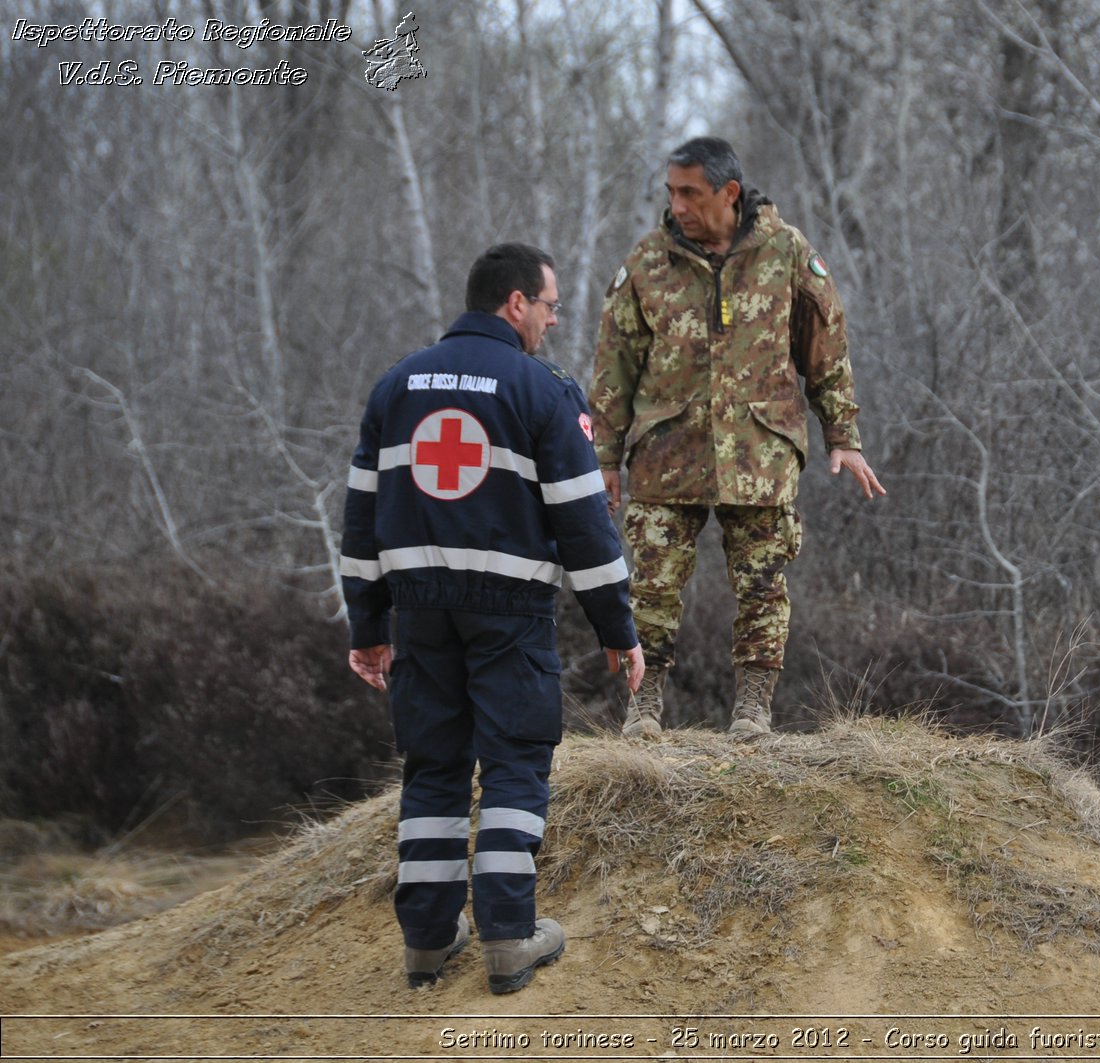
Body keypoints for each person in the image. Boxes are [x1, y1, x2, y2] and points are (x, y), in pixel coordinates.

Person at [339, 243, 645, 995]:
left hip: (419, 610)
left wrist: (367, 625)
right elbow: (585, 523)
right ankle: (509, 937)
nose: (550, 320)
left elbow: (360, 517)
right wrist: (618, 627)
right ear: (515, 303)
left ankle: (427, 941)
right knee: (513, 759)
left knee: (434, 765)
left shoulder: (395, 386)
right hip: (507, 611)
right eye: (548, 305)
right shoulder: (540, 390)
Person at [589, 137, 884, 740]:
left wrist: (842, 434)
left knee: (763, 584)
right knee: (651, 585)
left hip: (760, 450)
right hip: (666, 453)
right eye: (671, 192)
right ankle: (644, 709)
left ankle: (753, 708)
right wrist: (605, 458)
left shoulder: (787, 252)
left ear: (729, 193)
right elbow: (614, 365)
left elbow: (825, 348)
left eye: (690, 193)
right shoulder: (647, 262)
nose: (678, 205)